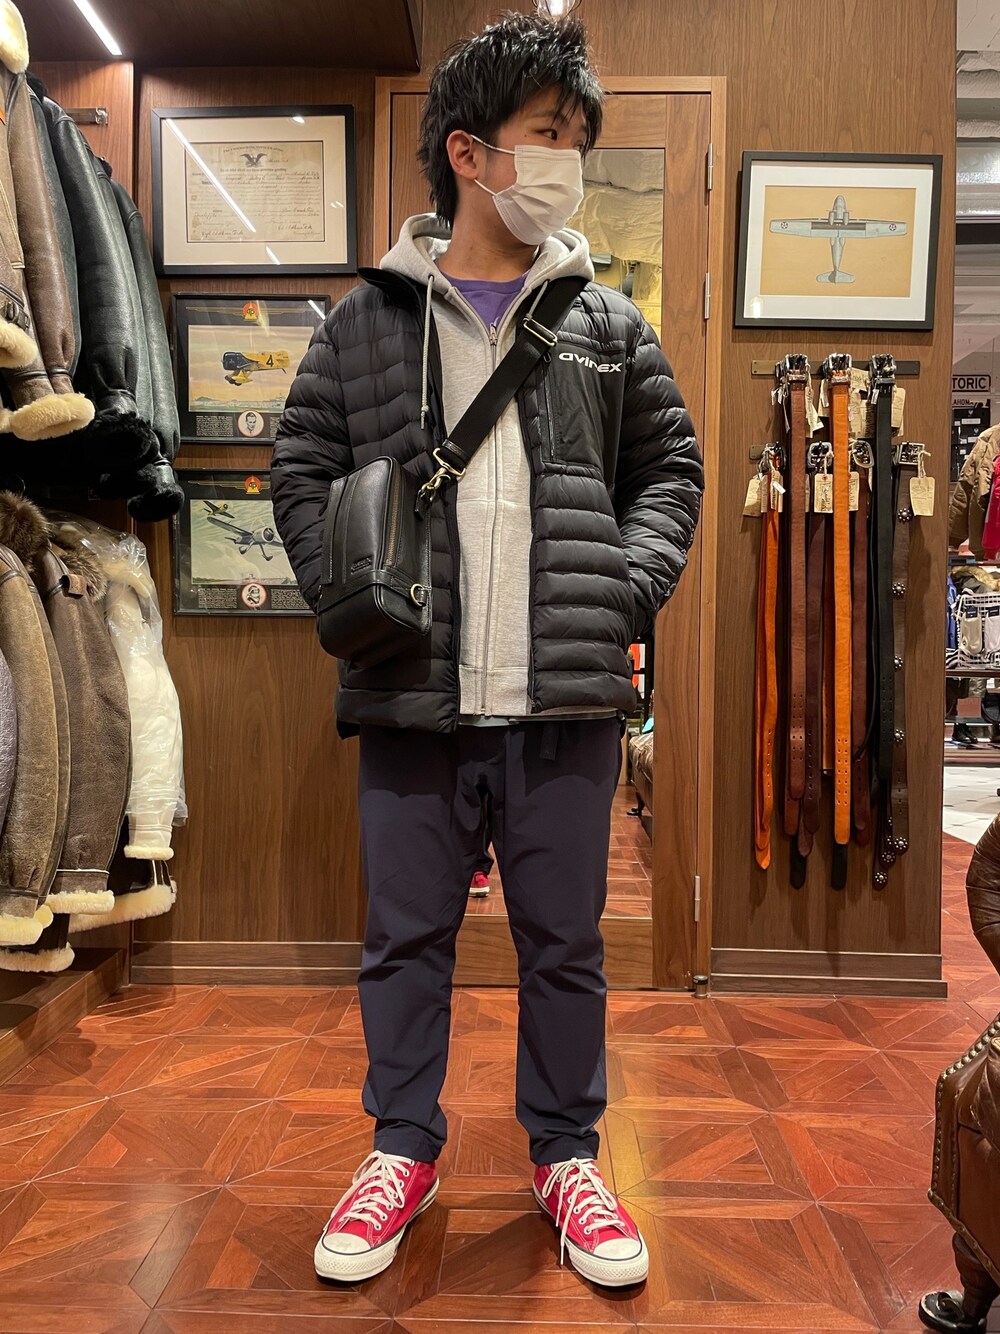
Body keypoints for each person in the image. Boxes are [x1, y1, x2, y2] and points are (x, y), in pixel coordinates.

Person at [271, 11, 704, 1291]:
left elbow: (669, 470)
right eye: (546, 134)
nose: (566, 162)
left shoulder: (607, 324)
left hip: (563, 700)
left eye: (576, 140)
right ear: (468, 151)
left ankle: (566, 1152)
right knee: (404, 940)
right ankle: (401, 1146)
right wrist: (346, 589)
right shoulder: (364, 323)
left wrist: (625, 588)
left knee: (563, 944)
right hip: (410, 695)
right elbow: (298, 466)